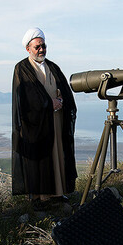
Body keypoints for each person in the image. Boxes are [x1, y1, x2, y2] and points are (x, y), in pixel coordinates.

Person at [12, 27, 77, 209]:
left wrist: (61, 100)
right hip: (35, 124)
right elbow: (26, 96)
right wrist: (49, 103)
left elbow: (65, 89)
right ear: (28, 49)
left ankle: (57, 193)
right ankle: (40, 198)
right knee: (39, 159)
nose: (41, 50)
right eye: (37, 47)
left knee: (57, 155)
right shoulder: (22, 68)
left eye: (43, 46)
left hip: (55, 121)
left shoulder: (53, 67)